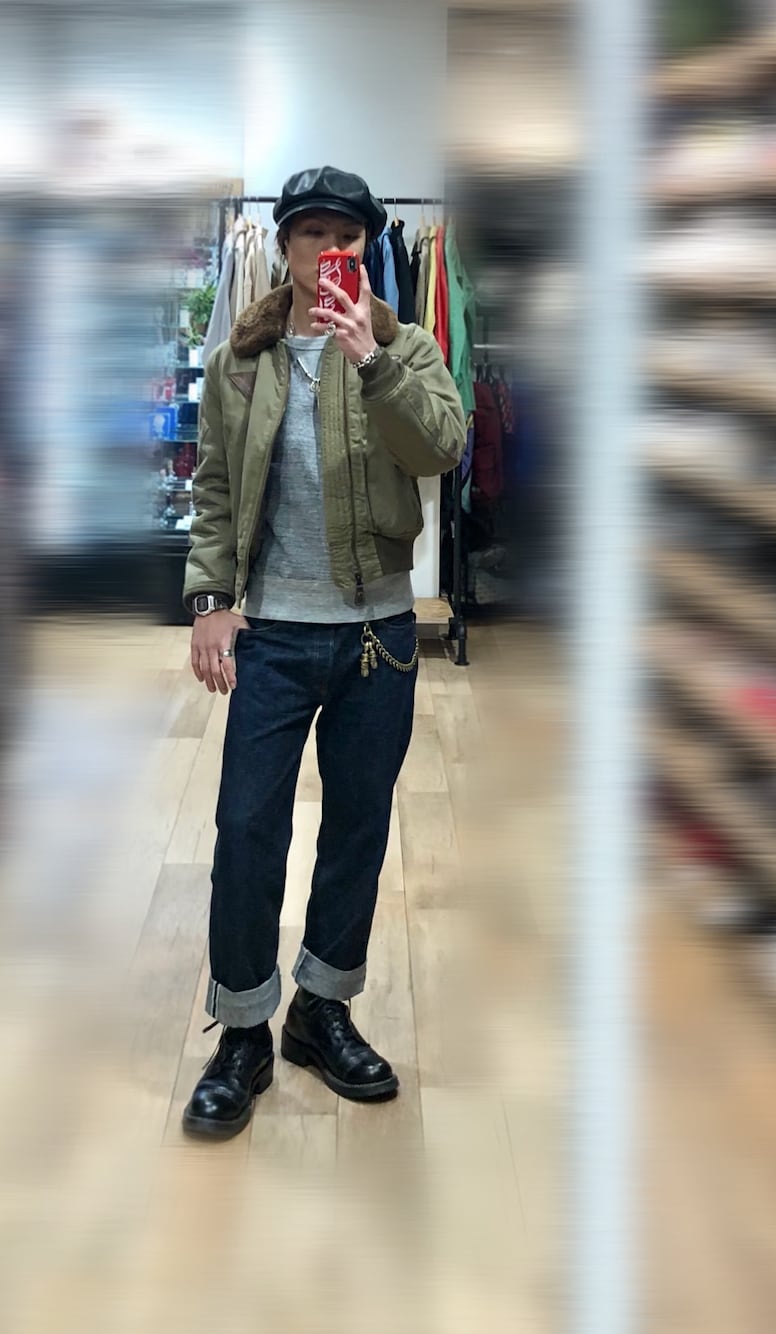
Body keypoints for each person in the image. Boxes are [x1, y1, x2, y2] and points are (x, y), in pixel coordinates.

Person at [180, 166, 465, 1139]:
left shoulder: (405, 345)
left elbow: (440, 450)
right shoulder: (242, 359)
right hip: (270, 633)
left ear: (367, 247)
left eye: (346, 234)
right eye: (312, 233)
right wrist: (211, 600)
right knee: (245, 829)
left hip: (377, 636)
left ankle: (321, 1010)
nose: (328, 249)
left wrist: (371, 360)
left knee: (356, 828)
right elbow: (214, 487)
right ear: (286, 245)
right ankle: (243, 1029)